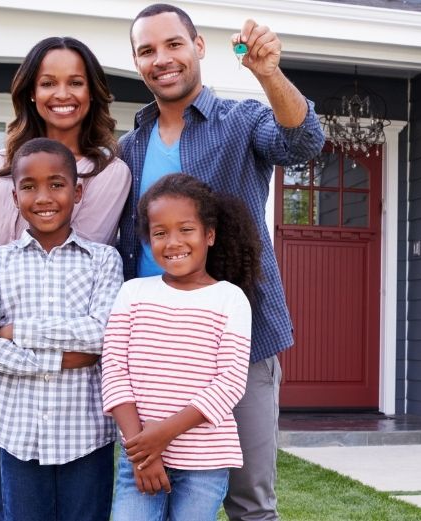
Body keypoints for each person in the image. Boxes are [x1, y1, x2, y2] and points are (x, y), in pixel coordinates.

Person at [119, 5, 324, 519]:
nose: (161, 59)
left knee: (249, 502)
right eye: (147, 50)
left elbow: (303, 141)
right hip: (151, 356)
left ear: (199, 47)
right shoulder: (129, 148)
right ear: (137, 62)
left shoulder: (242, 121)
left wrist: (269, 72)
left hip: (235, 349)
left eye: (173, 44)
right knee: (147, 496)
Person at [0, 36, 131, 521]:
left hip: (43, 347)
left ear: (92, 91)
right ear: (31, 92)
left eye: (75, 82)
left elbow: (69, 249)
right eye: (49, 82)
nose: (63, 93)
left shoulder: (107, 172)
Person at [0, 137, 122, 521]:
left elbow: (102, 335)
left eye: (56, 184)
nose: (44, 197)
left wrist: (17, 331)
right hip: (18, 433)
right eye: (29, 187)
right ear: (15, 196)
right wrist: (60, 360)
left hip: (86, 434)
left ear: (77, 191)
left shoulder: (103, 260)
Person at [103, 174, 260, 520]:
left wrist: (162, 434)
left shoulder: (229, 299)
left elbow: (230, 382)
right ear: (148, 240)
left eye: (186, 229)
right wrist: (142, 448)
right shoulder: (133, 293)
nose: (173, 242)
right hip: (139, 455)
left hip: (204, 463)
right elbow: (114, 370)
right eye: (160, 233)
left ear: (209, 235)